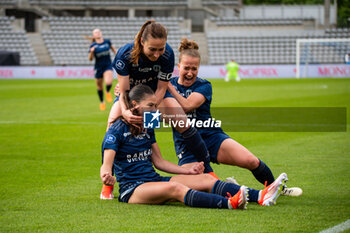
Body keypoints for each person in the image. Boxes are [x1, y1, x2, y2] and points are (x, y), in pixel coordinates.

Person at [100, 84, 288, 209]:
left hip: (153, 179)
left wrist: (187, 172)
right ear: (135, 105)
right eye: (151, 105)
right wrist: (106, 177)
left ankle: (262, 196)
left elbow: (159, 162)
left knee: (205, 178)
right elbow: (106, 165)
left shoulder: (148, 126)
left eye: (156, 105)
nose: (155, 110)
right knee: (176, 190)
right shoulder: (115, 131)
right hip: (132, 189)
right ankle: (229, 203)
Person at [166, 38, 302, 197]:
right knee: (206, 185)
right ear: (178, 67)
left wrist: (167, 85)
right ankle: (235, 188)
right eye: (186, 68)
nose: (190, 72)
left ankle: (278, 189)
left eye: (194, 68)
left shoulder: (204, 85)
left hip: (211, 137)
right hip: (186, 144)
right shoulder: (169, 85)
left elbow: (188, 105)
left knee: (251, 161)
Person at [102, 20, 213, 198]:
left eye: (160, 49)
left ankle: (209, 170)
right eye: (152, 49)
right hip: (132, 96)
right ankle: (108, 183)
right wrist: (126, 112)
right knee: (112, 123)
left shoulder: (168, 55)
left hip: (155, 95)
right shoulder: (125, 54)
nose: (157, 54)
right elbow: (123, 91)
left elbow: (162, 88)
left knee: (182, 120)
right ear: (141, 42)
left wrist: (151, 112)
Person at [88, 28, 117, 111]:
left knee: (108, 82)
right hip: (98, 68)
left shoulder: (107, 42)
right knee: (99, 87)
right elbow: (90, 59)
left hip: (107, 65)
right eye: (95, 33)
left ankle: (107, 92)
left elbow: (114, 50)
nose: (97, 33)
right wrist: (91, 52)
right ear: (93, 35)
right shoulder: (93, 46)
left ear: (101, 33)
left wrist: (118, 56)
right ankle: (102, 102)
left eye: (98, 32)